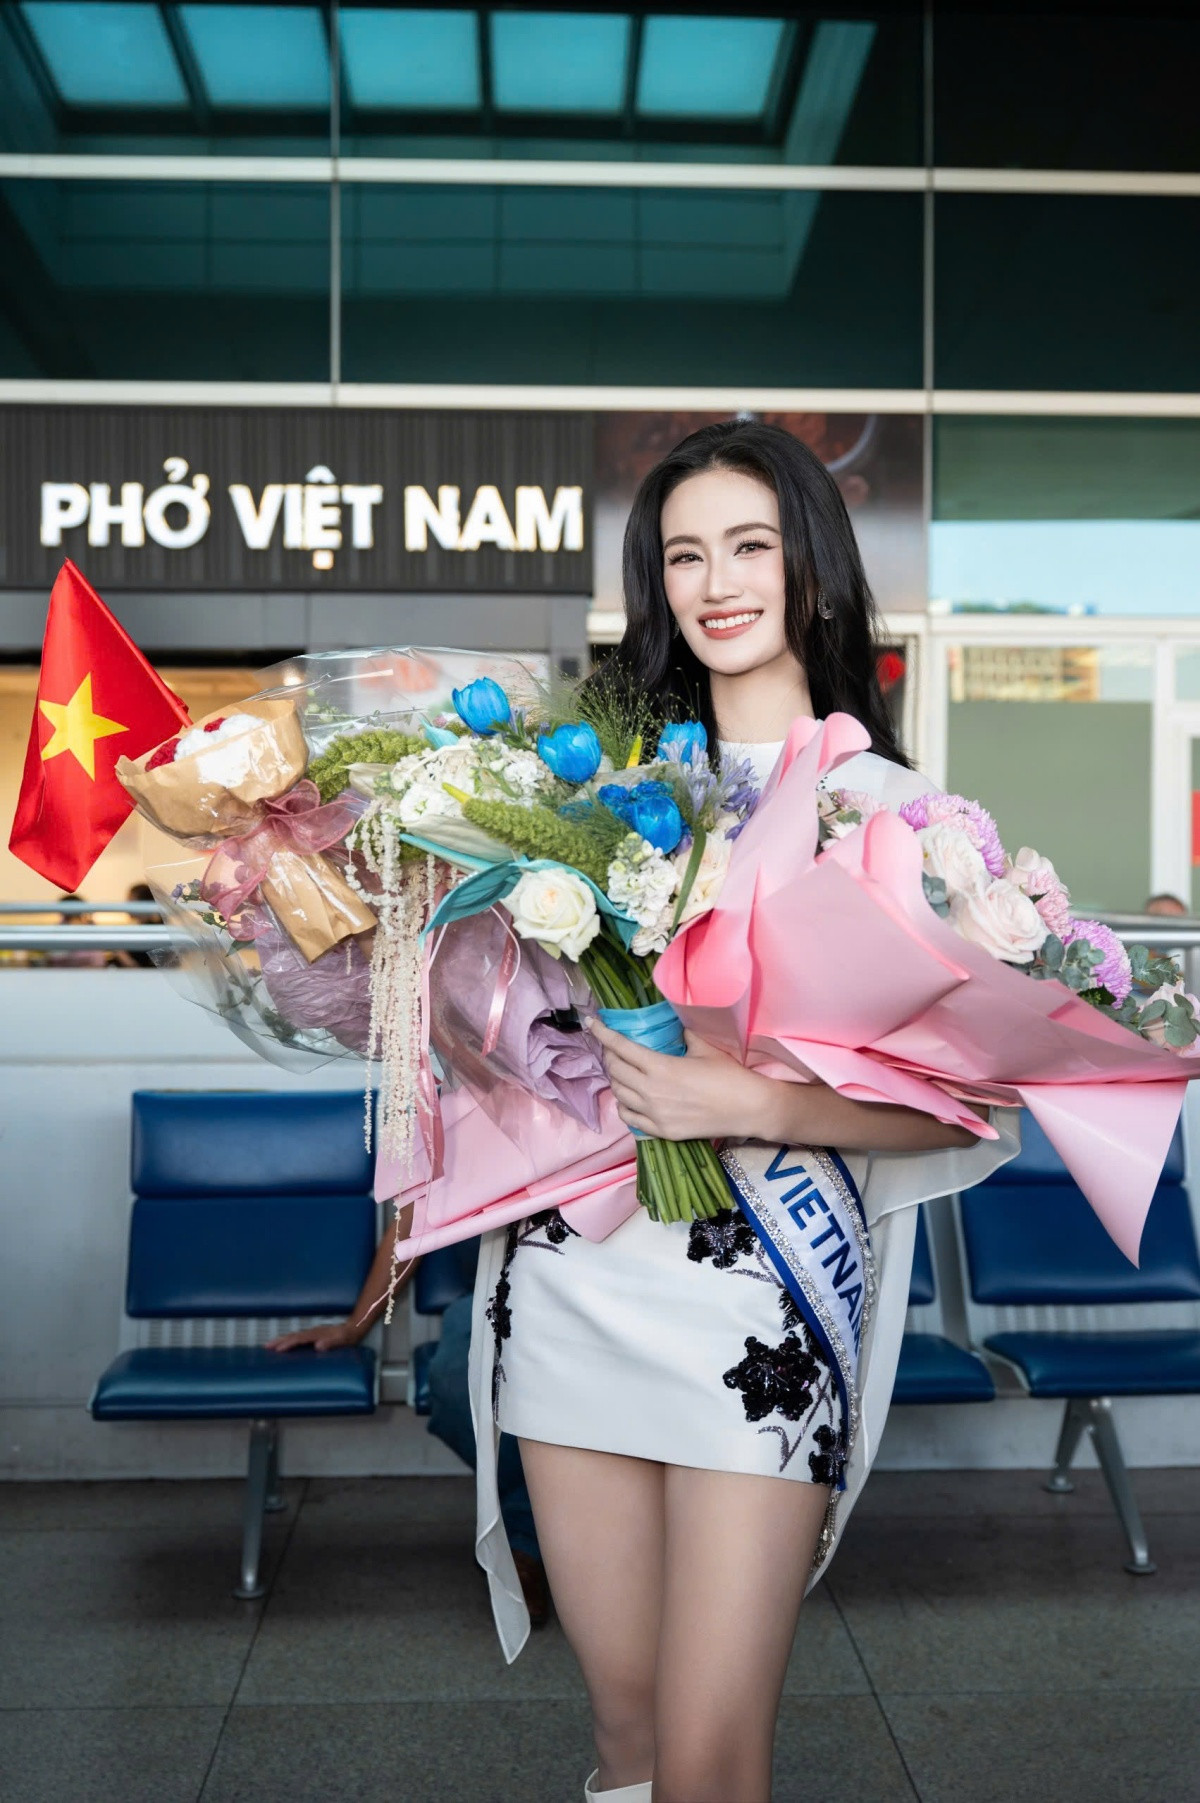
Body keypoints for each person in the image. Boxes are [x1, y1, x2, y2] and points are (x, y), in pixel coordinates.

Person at [467, 420, 1021, 1803]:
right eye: (685, 555)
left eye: (751, 545)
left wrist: (751, 1097)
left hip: (762, 1304)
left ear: (812, 570)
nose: (717, 582)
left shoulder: (894, 815)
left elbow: (971, 1107)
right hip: (578, 1276)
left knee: (714, 1762)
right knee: (630, 1740)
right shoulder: (590, 788)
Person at [265, 1210, 549, 1626]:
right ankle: (535, 1534)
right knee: (454, 1381)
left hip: (595, 1289)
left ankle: (533, 1544)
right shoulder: (457, 1159)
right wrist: (355, 1327)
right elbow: (413, 1219)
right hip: (495, 1292)